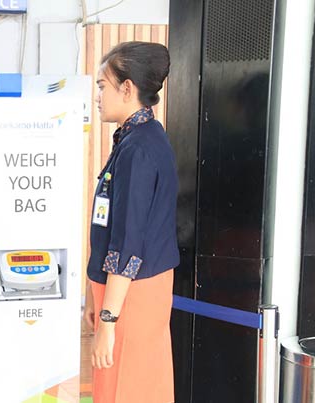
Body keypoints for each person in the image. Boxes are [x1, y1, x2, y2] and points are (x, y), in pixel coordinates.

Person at [83, 41, 179, 403]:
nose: (98, 95)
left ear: (127, 88)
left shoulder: (138, 149)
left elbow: (128, 242)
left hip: (131, 297)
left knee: (127, 388)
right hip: (124, 292)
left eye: (102, 85)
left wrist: (108, 319)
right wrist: (96, 293)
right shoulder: (139, 139)